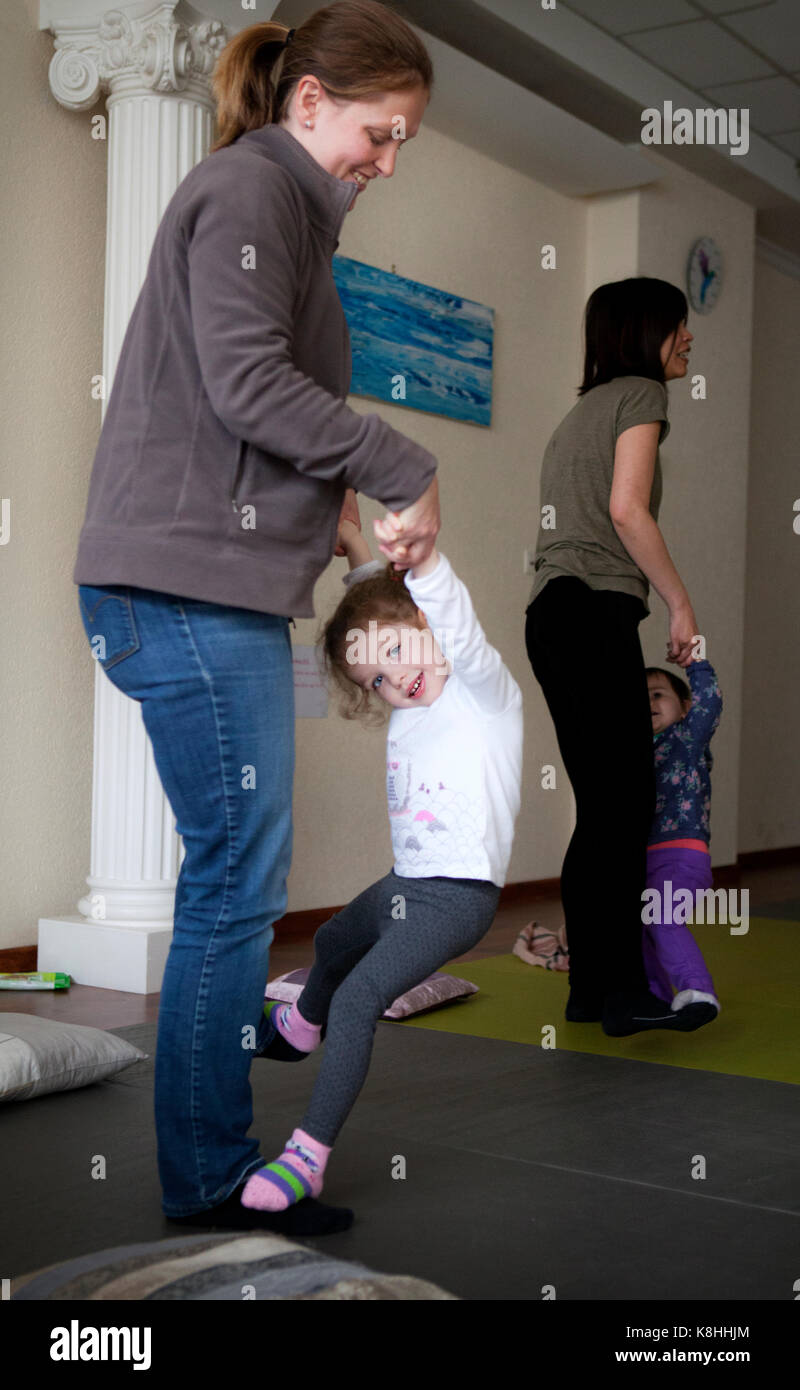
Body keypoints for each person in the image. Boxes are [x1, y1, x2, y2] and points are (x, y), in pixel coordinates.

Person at [74, 2, 441, 1233]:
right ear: (307, 104)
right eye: (378, 135)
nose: (384, 164)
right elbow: (243, 384)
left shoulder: (278, 210)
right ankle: (210, 1176)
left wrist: (332, 519)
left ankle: (215, 1107)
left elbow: (227, 408)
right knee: (234, 883)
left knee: (233, 877)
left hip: (209, 588)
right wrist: (398, 462)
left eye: (400, 146)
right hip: (180, 593)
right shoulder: (249, 194)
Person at [239, 518, 523, 1211]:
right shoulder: (405, 695)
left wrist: (423, 560)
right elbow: (378, 610)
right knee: (333, 940)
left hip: (457, 899)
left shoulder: (483, 694)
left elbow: (434, 611)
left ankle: (307, 1157)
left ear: (427, 621)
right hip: (405, 884)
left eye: (399, 651)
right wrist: (359, 549)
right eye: (378, 679)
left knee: (362, 996)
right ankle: (302, 1026)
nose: (398, 677)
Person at [524, 276, 716, 1037]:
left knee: (603, 805)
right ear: (646, 332)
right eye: (680, 325)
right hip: (591, 609)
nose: (688, 339)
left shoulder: (580, 414)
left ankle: (595, 991)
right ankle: (624, 993)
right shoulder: (642, 394)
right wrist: (679, 600)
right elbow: (627, 510)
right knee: (623, 804)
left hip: (553, 613)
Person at [643, 659, 722, 1019]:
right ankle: (655, 997)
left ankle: (698, 992)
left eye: (658, 695)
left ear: (685, 707)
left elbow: (710, 702)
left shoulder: (686, 738)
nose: (649, 704)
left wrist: (696, 665)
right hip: (645, 857)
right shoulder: (638, 750)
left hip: (682, 854)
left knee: (662, 916)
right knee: (642, 927)